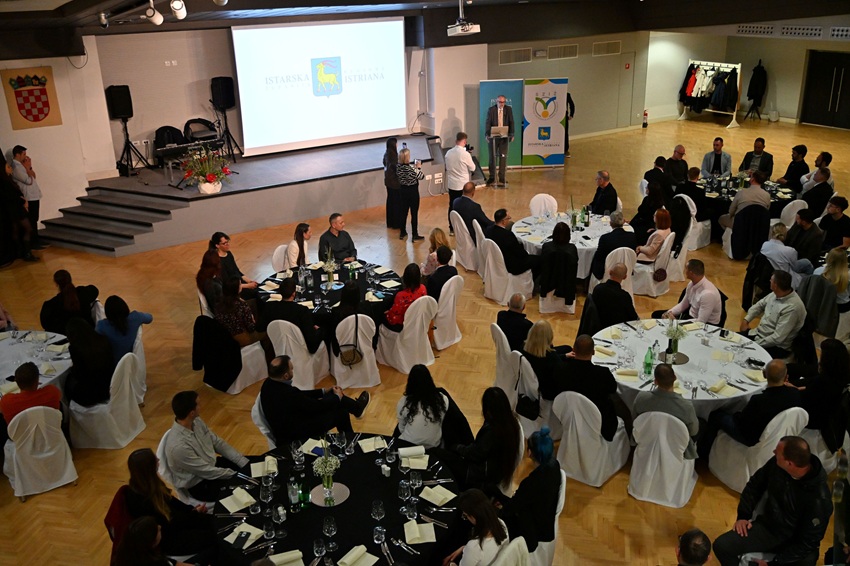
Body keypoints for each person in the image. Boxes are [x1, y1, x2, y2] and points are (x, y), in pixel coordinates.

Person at [712, 437, 832, 566]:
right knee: (722, 546)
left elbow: (808, 542)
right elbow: (754, 485)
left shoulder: (819, 499)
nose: (774, 452)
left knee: (807, 561)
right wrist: (743, 516)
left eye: (777, 452)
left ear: (789, 463)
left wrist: (774, 564)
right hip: (768, 529)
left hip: (795, 542)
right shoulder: (777, 464)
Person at [698, 360, 801, 460]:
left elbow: (741, 423)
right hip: (778, 432)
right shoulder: (795, 393)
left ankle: (703, 452)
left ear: (764, 375)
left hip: (751, 437)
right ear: (786, 377)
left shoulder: (759, 400)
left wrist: (735, 413)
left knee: (715, 415)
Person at [124, 448, 217, 559]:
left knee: (215, 523)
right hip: (170, 538)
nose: (158, 460)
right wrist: (194, 515)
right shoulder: (141, 500)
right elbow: (171, 523)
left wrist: (192, 510)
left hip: (176, 525)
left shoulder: (149, 484)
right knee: (216, 535)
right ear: (149, 467)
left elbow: (172, 502)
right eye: (155, 459)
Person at [260, 355, 369, 446]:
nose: (293, 370)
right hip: (296, 434)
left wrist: (323, 391)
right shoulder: (287, 394)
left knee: (333, 395)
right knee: (341, 413)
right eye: (291, 369)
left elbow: (299, 395)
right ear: (286, 376)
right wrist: (337, 397)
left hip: (293, 419)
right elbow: (316, 407)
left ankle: (357, 409)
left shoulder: (268, 384)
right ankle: (350, 443)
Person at [162, 390, 250, 502]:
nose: (201, 406)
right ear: (191, 413)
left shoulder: (196, 421)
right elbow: (205, 471)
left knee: (254, 464)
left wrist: (242, 461)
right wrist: (237, 475)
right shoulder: (178, 447)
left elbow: (217, 442)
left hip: (213, 465)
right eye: (198, 404)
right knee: (246, 490)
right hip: (201, 484)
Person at [494, 427, 561, 552]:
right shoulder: (554, 465)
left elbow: (513, 507)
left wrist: (499, 509)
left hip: (532, 531)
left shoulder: (532, 482)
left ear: (529, 452)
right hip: (545, 517)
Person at [449, 387, 521, 490]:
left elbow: (475, 454)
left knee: (445, 455)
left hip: (482, 474)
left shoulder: (492, 431)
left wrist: (457, 448)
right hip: (496, 469)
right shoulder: (512, 423)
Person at [634, 364, 699, 459]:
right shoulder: (686, 407)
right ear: (675, 378)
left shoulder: (641, 398)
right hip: (676, 445)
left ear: (655, 381)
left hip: (647, 439)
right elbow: (693, 431)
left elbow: (635, 421)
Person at [563, 335, 620, 441]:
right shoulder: (603, 374)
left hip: (571, 415)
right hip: (599, 421)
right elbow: (613, 389)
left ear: (574, 350)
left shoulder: (563, 369)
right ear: (593, 352)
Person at [740, 270, 807, 358]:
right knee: (730, 340)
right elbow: (759, 306)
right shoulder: (776, 293)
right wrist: (746, 320)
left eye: (771, 280)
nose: (769, 281)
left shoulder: (793, 308)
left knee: (740, 355)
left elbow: (777, 338)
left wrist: (753, 344)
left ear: (775, 285)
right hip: (758, 335)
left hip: (775, 347)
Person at [792, 338, 850, 439]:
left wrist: (792, 388)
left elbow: (806, 396)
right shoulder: (840, 374)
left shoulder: (824, 381)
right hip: (825, 411)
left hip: (814, 418)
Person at [443, 489, 509, 566]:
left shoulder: (474, 547)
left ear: (474, 517)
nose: (466, 519)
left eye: (466, 516)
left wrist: (451, 564)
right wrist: (464, 548)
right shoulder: (501, 523)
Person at [0, 362, 61, 445]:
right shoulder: (52, 392)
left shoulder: (6, 401)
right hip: (49, 434)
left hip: (22, 440)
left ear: (16, 382)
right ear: (37, 380)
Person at [259, 277, 323, 353]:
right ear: (294, 293)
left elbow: (260, 328)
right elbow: (312, 345)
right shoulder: (302, 311)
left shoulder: (269, 307)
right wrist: (319, 331)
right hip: (300, 351)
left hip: (278, 348)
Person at [651, 259, 722, 324]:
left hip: (706, 324)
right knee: (657, 315)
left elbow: (701, 321)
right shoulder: (691, 284)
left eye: (686, 269)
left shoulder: (708, 295)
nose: (684, 271)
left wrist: (676, 322)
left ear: (691, 273)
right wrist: (668, 313)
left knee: (668, 324)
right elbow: (683, 304)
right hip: (691, 315)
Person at [65, 317, 114, 407]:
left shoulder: (75, 349)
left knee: (66, 382)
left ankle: (68, 412)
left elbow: (79, 374)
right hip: (110, 387)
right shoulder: (103, 340)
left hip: (90, 395)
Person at [397, 364, 449, 448]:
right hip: (434, 444)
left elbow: (401, 428)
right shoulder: (443, 399)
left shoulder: (404, 402)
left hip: (409, 446)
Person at [95, 295, 153, 366]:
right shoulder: (136, 317)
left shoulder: (102, 326)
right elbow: (150, 318)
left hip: (110, 366)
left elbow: (95, 343)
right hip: (131, 363)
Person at [113, 516, 193, 566]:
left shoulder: (127, 554)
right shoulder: (156, 562)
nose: (159, 526)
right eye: (157, 530)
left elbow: (175, 563)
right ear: (152, 542)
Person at [40, 269, 100, 334]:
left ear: (57, 284)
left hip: (66, 337)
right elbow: (94, 290)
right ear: (70, 279)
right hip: (88, 334)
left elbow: (45, 325)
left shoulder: (50, 305)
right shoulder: (84, 292)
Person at [0, 157, 37, 262]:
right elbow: (13, 196)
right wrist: (23, 202)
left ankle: (20, 252)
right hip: (16, 209)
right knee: (27, 228)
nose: (10, 168)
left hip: (14, 209)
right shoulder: (6, 183)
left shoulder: (8, 180)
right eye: (8, 167)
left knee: (17, 230)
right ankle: (26, 253)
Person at [484, 209, 539, 276]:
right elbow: (521, 254)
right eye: (508, 218)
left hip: (496, 261)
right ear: (503, 221)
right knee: (538, 259)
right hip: (511, 266)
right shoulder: (508, 235)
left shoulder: (488, 230)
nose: (509, 220)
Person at [10, 145, 46, 249]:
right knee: (31, 220)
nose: (25, 156)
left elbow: (33, 176)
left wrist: (29, 167)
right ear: (17, 154)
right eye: (24, 154)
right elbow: (28, 181)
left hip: (34, 195)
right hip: (28, 197)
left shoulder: (22, 165)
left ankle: (36, 239)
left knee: (34, 218)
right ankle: (33, 242)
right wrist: (26, 167)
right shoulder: (16, 167)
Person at [214, 278, 266, 349]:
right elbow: (251, 328)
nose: (242, 285)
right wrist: (253, 319)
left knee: (253, 302)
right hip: (241, 337)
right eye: (240, 284)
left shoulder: (219, 303)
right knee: (267, 331)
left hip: (226, 334)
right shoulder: (241, 305)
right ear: (237, 289)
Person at [522, 321, 568, 401]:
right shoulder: (551, 358)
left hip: (533, 382)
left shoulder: (523, 348)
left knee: (566, 348)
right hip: (547, 393)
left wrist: (564, 356)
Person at [760, 223, 811, 289]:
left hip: (769, 274)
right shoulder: (790, 251)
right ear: (786, 234)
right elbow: (794, 267)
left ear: (772, 233)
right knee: (808, 275)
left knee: (806, 262)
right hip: (786, 279)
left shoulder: (765, 245)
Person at [590, 211, 636, 280]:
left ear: (610, 223)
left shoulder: (605, 238)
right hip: (626, 268)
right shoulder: (632, 236)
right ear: (624, 222)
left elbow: (599, 257)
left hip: (608, 270)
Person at [445, 132, 477, 234]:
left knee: (452, 206)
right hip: (462, 185)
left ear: (456, 141)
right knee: (464, 207)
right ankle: (463, 228)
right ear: (465, 142)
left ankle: (452, 228)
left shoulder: (448, 153)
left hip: (452, 184)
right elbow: (473, 168)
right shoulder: (465, 154)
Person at [209, 231, 258, 296]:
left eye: (227, 242)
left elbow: (236, 271)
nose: (227, 244)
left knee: (259, 287)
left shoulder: (229, 253)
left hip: (238, 283)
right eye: (224, 243)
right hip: (233, 289)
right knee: (257, 293)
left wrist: (249, 281)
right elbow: (227, 283)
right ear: (217, 245)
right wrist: (247, 286)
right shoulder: (218, 261)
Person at [591, 263, 639, 329]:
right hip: (617, 329)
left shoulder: (597, 289)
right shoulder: (624, 296)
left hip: (597, 327)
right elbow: (633, 318)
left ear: (610, 272)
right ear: (625, 277)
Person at [384, 263, 426, 332]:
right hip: (417, 320)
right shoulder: (423, 288)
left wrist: (387, 313)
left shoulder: (401, 296)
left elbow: (393, 319)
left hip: (403, 325)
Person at [484, 94, 514, 186]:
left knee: (503, 157)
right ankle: (492, 177)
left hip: (504, 137)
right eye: (500, 102)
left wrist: (512, 134)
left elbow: (511, 122)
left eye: (503, 102)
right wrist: (487, 134)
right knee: (492, 157)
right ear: (496, 102)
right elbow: (488, 122)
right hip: (493, 137)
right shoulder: (491, 110)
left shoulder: (508, 109)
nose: (502, 104)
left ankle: (502, 177)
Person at [396, 147, 425, 241]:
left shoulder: (398, 168)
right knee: (414, 214)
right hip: (413, 193)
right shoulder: (412, 169)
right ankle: (414, 234)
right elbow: (421, 176)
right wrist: (418, 168)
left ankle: (402, 232)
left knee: (403, 213)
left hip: (403, 192)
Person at [383, 137, 401, 229]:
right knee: (396, 203)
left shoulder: (386, 154)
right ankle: (396, 223)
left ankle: (390, 222)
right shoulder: (393, 156)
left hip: (388, 182)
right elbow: (396, 169)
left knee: (390, 202)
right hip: (394, 183)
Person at [564, 92, 576, 157]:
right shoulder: (554, 93)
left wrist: (571, 114)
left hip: (564, 116)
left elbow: (572, 105)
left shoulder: (567, 94)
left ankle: (566, 150)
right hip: (554, 116)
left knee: (565, 133)